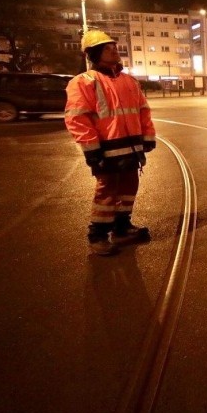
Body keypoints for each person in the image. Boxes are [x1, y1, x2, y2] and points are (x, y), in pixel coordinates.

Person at [64, 30, 156, 256]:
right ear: (94, 53)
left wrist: (148, 136)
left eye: (114, 45)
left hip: (131, 147)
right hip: (105, 149)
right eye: (107, 47)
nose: (114, 49)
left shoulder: (129, 81)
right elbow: (77, 118)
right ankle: (98, 235)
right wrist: (91, 150)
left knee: (128, 188)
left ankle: (122, 228)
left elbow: (143, 111)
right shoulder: (83, 82)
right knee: (107, 193)